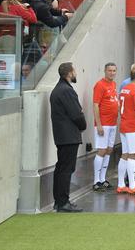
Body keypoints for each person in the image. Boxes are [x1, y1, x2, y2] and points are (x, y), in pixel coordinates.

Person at [50, 62, 86, 212]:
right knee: (66, 169)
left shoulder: (59, 89)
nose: (76, 73)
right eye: (74, 71)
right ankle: (63, 202)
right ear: (70, 73)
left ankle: (59, 201)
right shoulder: (66, 90)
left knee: (61, 168)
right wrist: (83, 125)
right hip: (68, 136)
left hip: (62, 136)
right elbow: (76, 114)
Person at [91, 63, 118, 191]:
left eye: (114, 71)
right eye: (109, 70)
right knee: (101, 150)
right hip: (103, 124)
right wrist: (99, 124)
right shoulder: (100, 85)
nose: (112, 73)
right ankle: (96, 181)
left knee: (109, 150)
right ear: (105, 71)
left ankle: (102, 179)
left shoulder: (113, 84)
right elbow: (95, 105)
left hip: (113, 123)